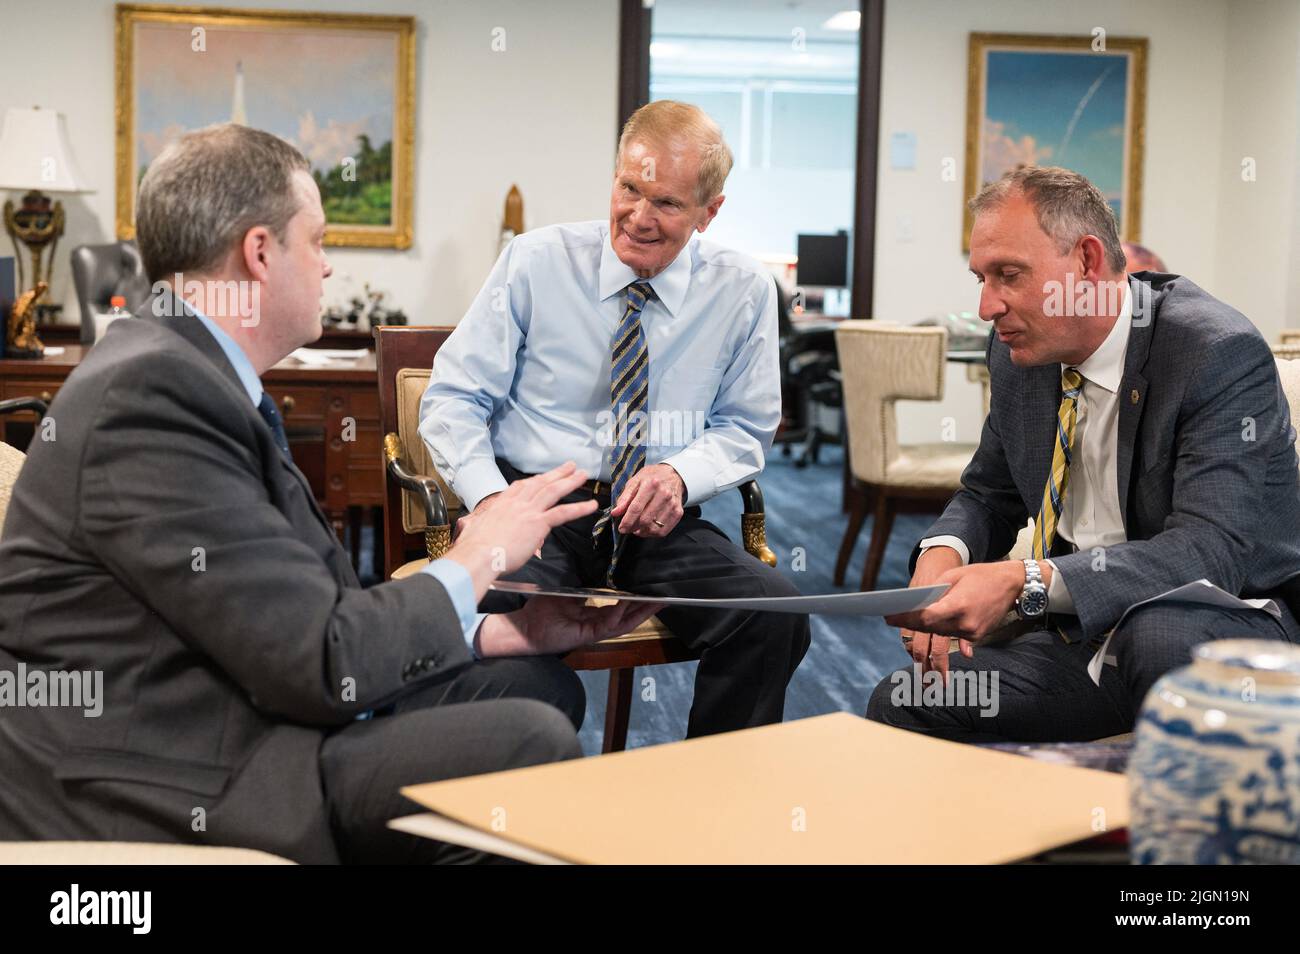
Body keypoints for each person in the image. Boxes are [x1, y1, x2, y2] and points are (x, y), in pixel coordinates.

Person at [0, 123, 658, 864]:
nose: (328, 266)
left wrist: (505, 631)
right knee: (527, 743)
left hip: (246, 700)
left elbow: (295, 616)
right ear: (258, 253)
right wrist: (481, 553)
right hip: (165, 769)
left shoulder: (184, 371)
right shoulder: (148, 397)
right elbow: (317, 658)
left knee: (532, 681)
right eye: (315, 241)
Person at [868, 165, 1300, 742]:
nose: (987, 307)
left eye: (1009, 275)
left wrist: (1026, 581)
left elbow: (1209, 552)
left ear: (1087, 263)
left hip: (1229, 627)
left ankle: (1161, 822)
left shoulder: (1214, 352)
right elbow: (988, 494)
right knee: (909, 698)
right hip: (1086, 636)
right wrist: (944, 555)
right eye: (980, 278)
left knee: (1160, 637)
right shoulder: (1023, 354)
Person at [420, 101, 810, 738]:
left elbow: (744, 426)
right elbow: (454, 398)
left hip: (658, 514)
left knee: (771, 615)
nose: (638, 217)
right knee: (513, 651)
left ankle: (715, 806)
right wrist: (495, 501)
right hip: (541, 506)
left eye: (667, 203)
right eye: (629, 188)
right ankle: (516, 810)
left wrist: (681, 477)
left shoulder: (742, 290)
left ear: (710, 212)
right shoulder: (536, 262)